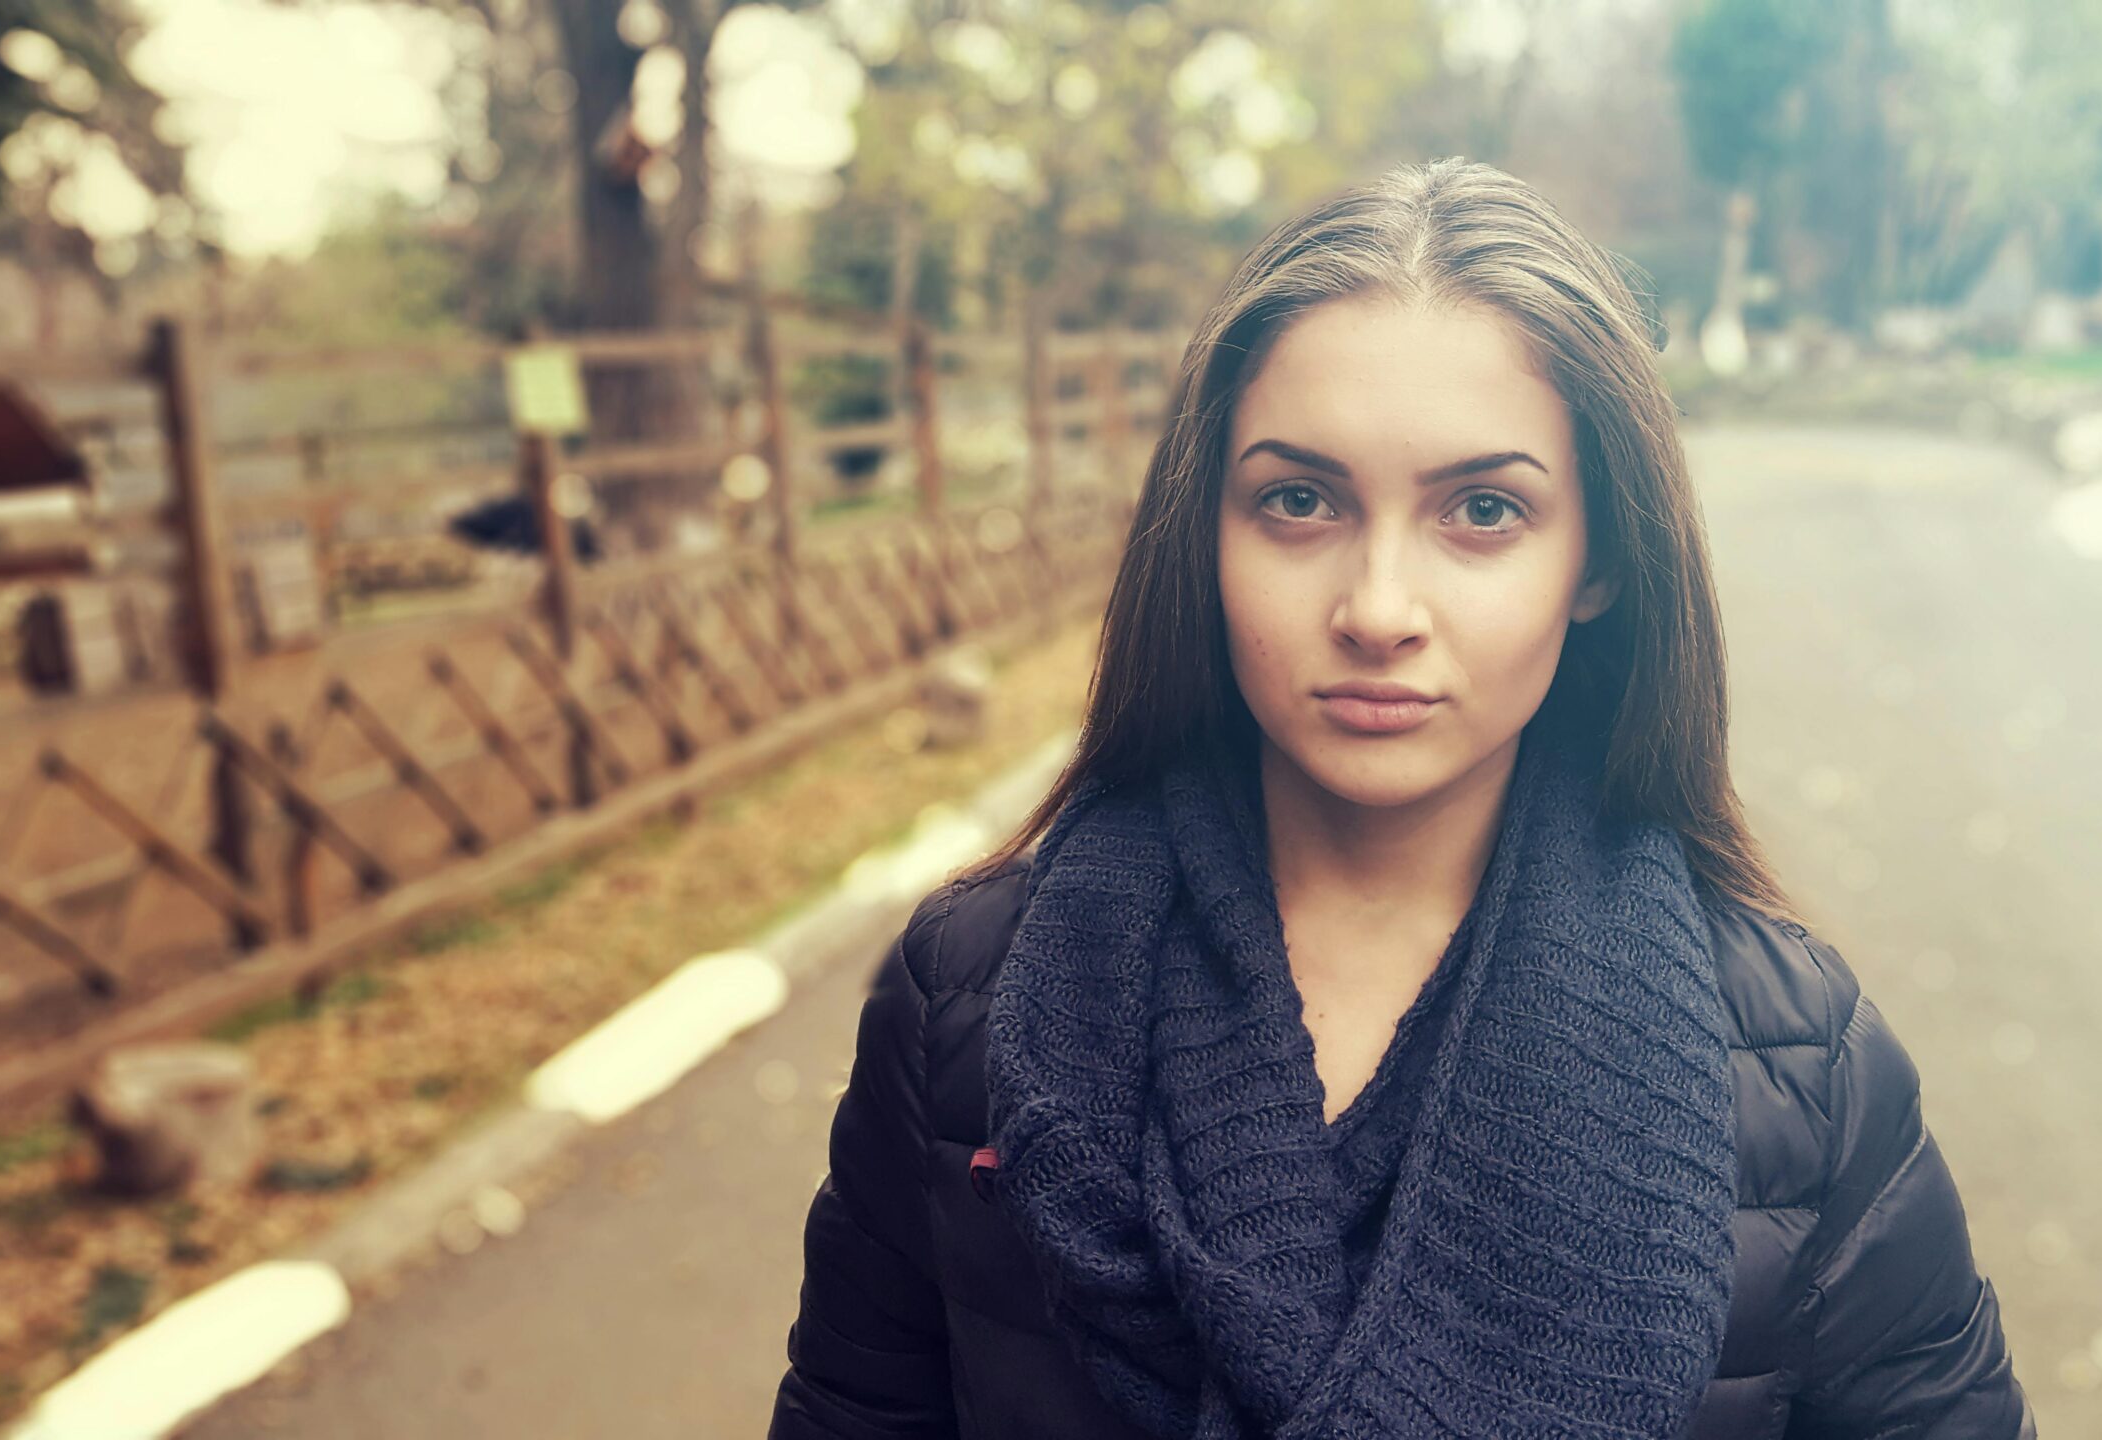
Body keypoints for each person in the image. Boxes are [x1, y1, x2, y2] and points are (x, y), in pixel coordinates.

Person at [767, 157, 2034, 1439]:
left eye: (1483, 510)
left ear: (1598, 562)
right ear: (1204, 533)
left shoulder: (1801, 1069)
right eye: (1297, 501)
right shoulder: (968, 1000)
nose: (1378, 609)